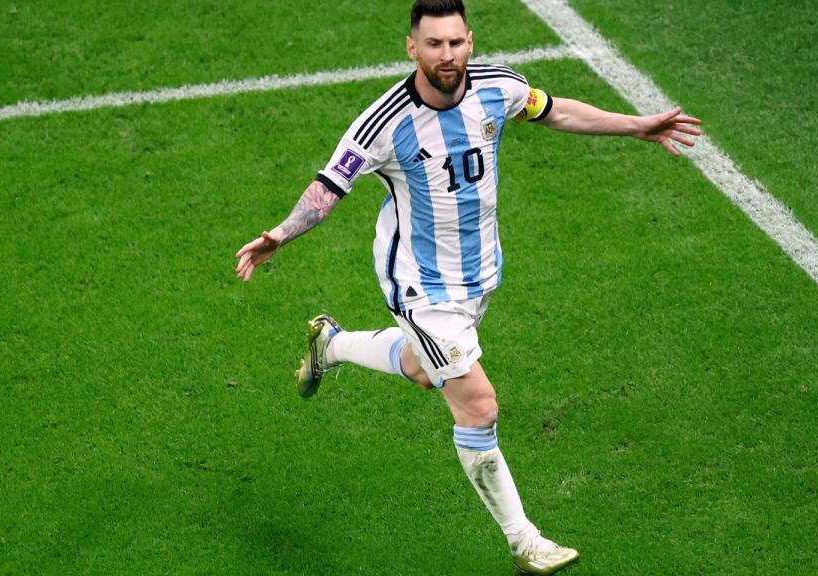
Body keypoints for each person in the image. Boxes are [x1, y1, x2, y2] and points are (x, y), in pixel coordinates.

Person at [235, 1, 701, 573]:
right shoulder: (384, 122)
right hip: (421, 288)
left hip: (479, 276)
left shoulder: (497, 89)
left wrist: (637, 126)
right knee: (477, 407)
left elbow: (553, 111)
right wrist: (280, 234)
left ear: (470, 43)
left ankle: (329, 343)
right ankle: (525, 541)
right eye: (434, 44)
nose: (446, 54)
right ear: (413, 49)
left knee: (417, 367)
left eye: (455, 42)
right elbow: (331, 185)